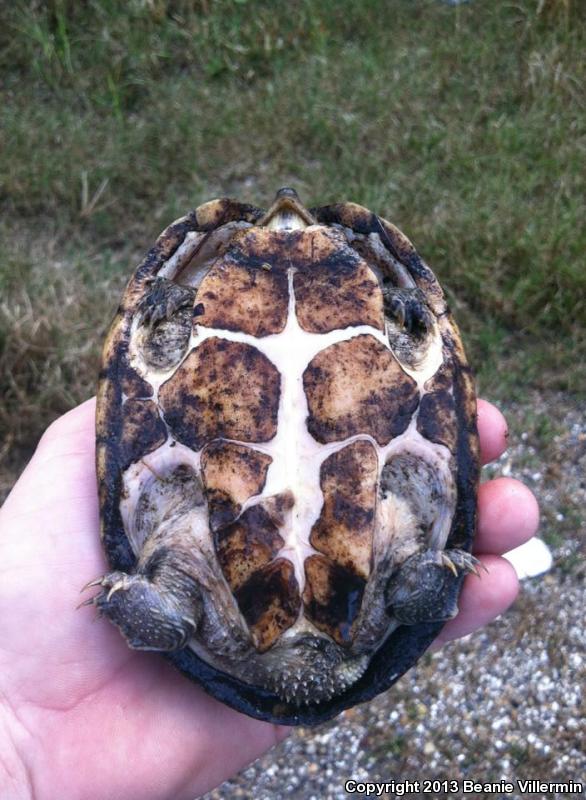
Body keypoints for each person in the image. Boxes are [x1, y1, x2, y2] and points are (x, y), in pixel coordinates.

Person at [0, 398, 539, 800]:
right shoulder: (385, 597)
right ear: (349, 662)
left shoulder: (195, 591)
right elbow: (425, 584)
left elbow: (159, 619)